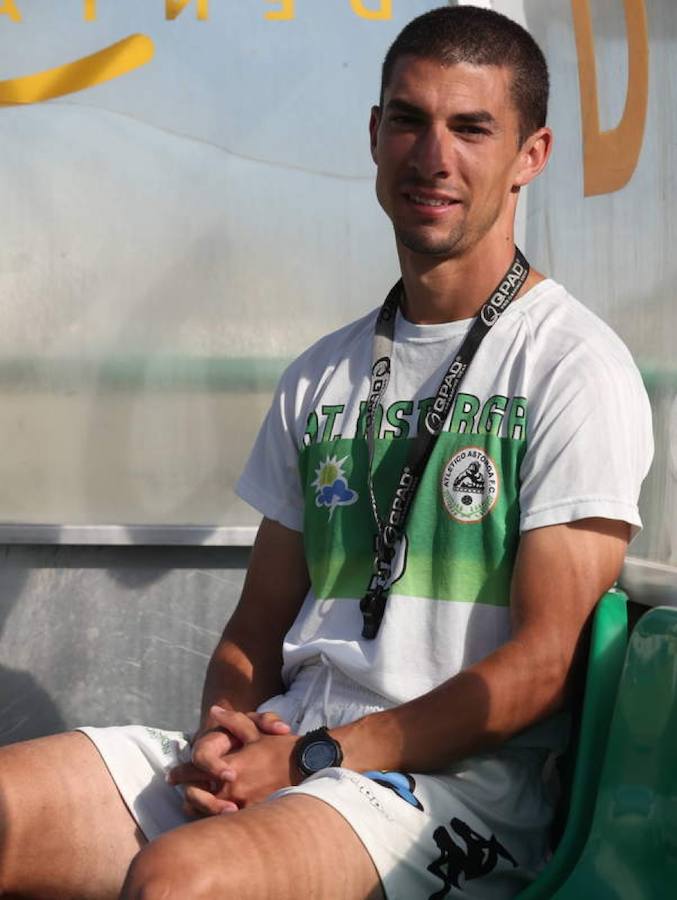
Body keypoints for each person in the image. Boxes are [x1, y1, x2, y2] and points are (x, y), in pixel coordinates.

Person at [0, 6, 653, 899]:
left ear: (529, 157)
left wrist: (319, 754)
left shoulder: (573, 366)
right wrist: (225, 733)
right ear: (374, 135)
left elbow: (539, 673)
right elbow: (255, 626)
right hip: (292, 749)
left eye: (470, 128)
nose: (433, 157)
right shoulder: (322, 373)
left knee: (182, 881)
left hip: (450, 797)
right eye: (408, 120)